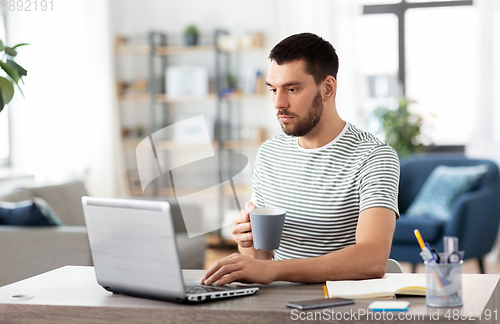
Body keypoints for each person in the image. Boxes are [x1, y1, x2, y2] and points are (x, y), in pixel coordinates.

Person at [201, 33, 400, 286]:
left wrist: (275, 271)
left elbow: (371, 260)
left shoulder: (374, 157)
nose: (278, 103)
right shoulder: (270, 153)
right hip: (278, 302)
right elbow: (262, 259)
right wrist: (247, 241)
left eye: (292, 89)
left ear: (327, 88)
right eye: (273, 90)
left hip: (342, 305)